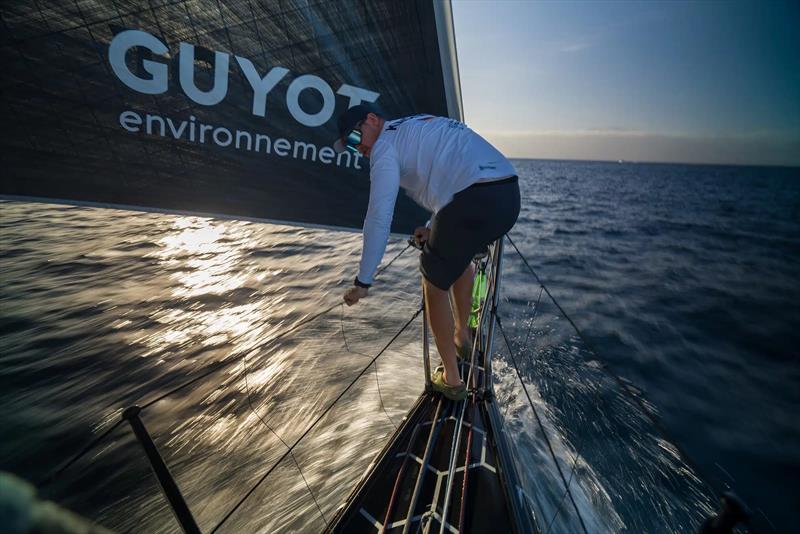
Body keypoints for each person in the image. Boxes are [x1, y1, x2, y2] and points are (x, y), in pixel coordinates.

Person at [335, 104, 520, 401]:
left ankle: (452, 379)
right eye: (351, 148)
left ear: (371, 120)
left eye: (356, 140)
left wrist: (363, 281)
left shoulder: (384, 147)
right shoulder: (413, 125)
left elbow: (379, 218)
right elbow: (450, 176)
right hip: (508, 196)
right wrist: (433, 226)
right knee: (457, 258)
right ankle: (465, 334)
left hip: (474, 199)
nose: (360, 150)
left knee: (433, 281)